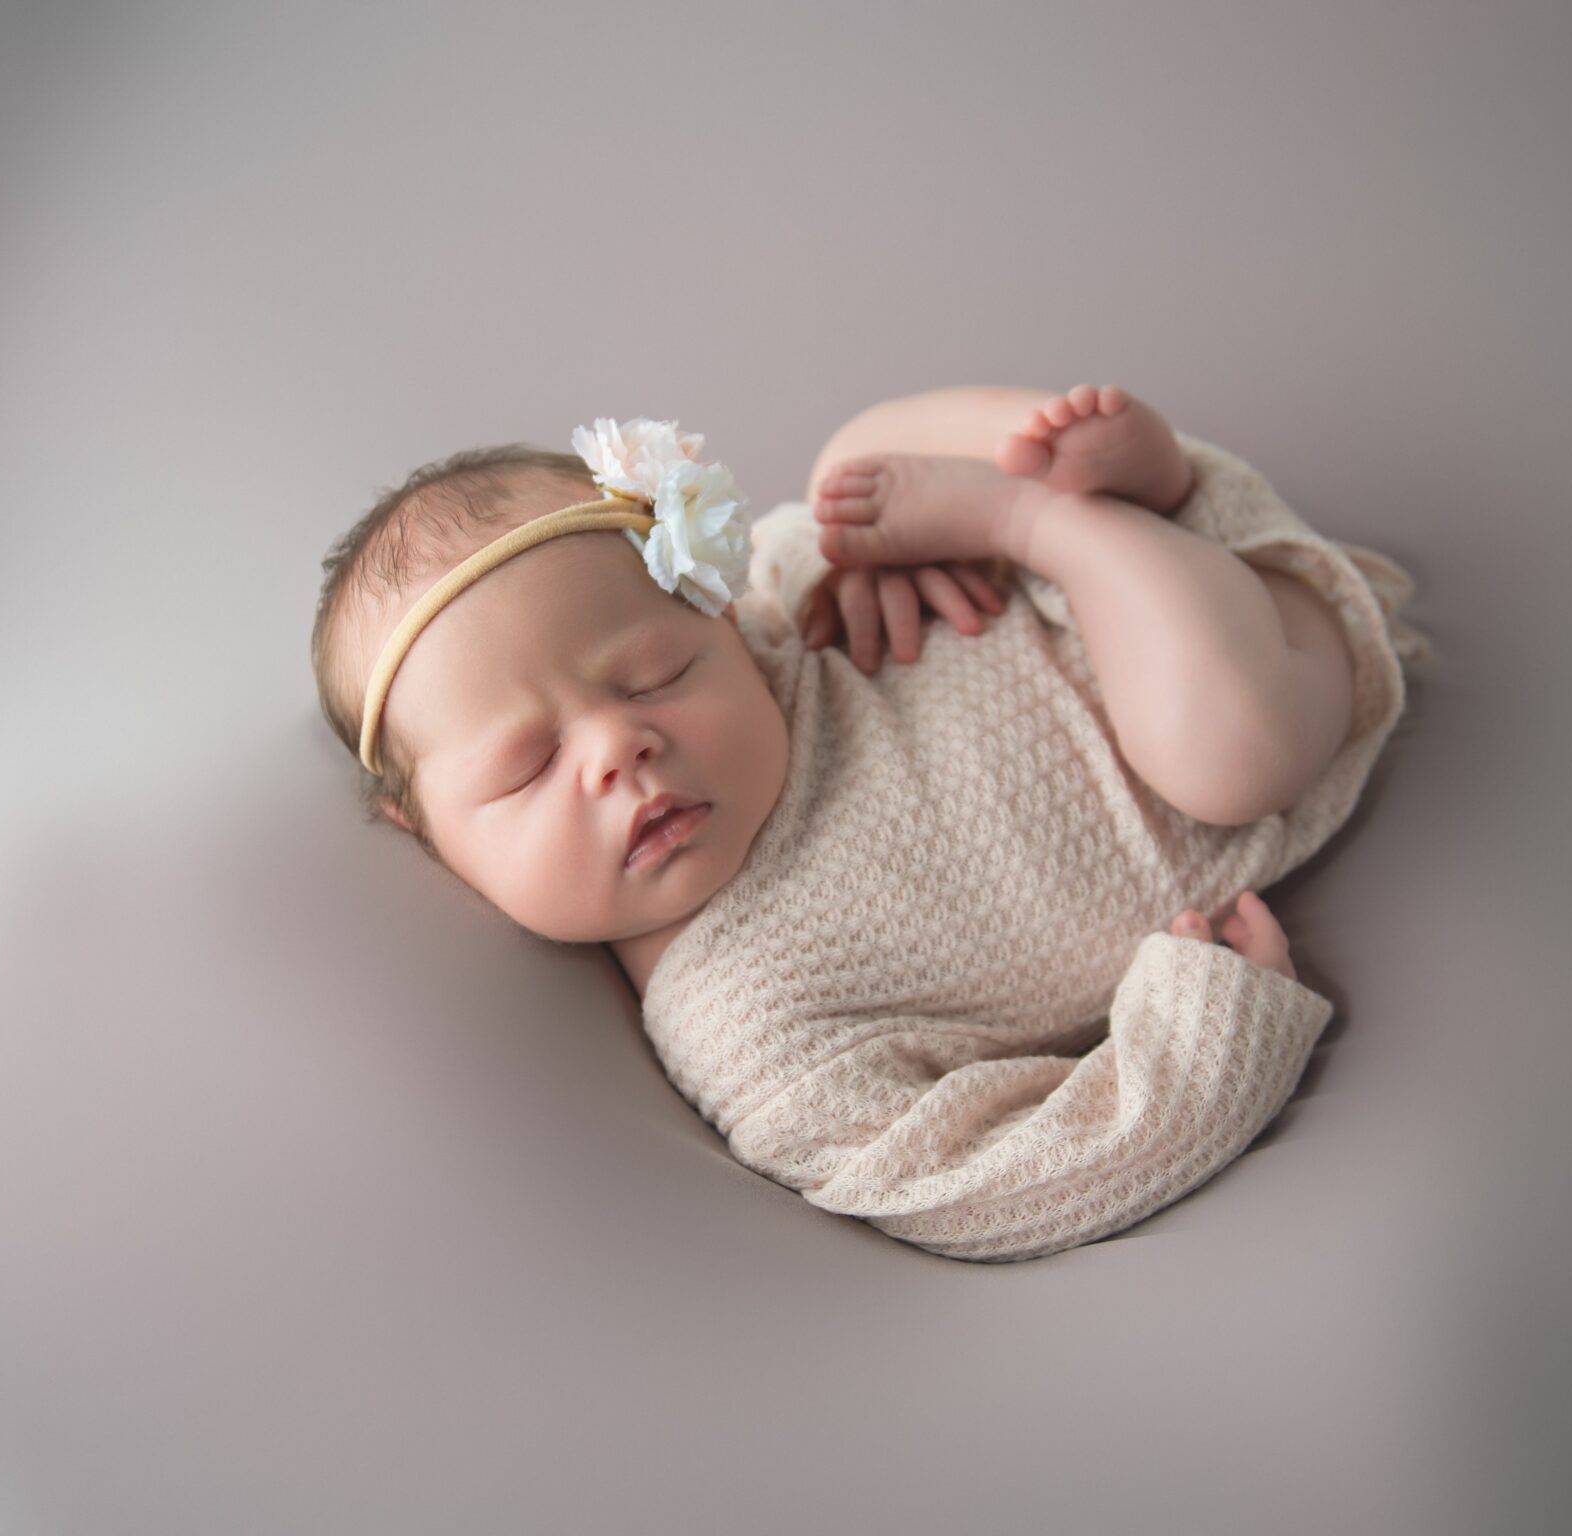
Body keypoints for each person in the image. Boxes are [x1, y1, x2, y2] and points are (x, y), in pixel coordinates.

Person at [308, 384, 1431, 1261]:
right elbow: (995, 1181)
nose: (617, 751)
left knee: (853, 471)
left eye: (656, 673)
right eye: (532, 763)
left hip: (1135, 572)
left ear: (722, 622)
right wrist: (1205, 1037)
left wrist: (885, 548)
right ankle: (1060, 513)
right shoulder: (756, 1032)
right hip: (1255, 677)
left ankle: (1132, 484)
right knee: (1221, 756)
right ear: (424, 831)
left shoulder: (780, 624)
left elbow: (824, 536)